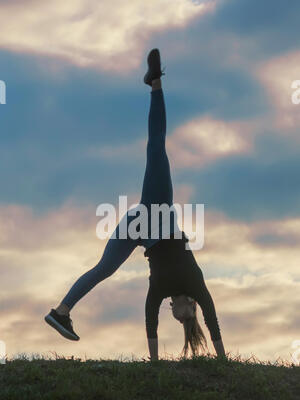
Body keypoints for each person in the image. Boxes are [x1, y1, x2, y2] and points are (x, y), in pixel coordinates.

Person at [45, 49, 225, 361]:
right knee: (157, 144)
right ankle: (155, 83)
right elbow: (213, 323)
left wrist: (155, 363)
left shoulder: (162, 290)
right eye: (182, 316)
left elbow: (150, 322)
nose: (175, 313)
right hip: (154, 213)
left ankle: (61, 312)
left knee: (104, 269)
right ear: (190, 306)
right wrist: (223, 360)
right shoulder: (196, 286)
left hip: (142, 224)